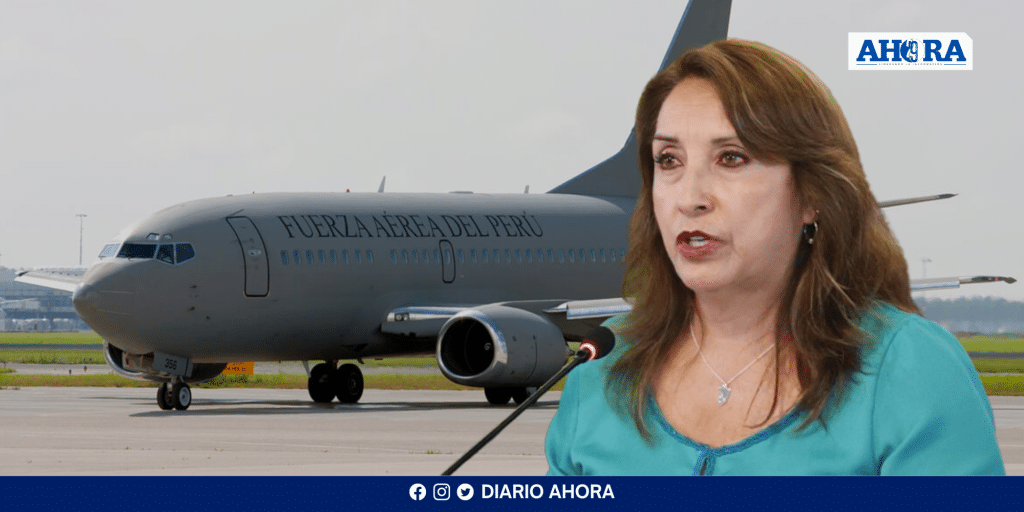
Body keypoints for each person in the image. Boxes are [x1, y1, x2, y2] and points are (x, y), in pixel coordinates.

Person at [545, 39, 1004, 475]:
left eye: (731, 158)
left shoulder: (909, 367)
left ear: (812, 194)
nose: (689, 198)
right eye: (668, 160)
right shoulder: (600, 368)